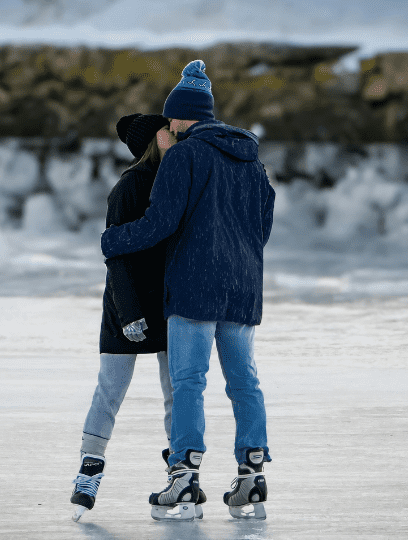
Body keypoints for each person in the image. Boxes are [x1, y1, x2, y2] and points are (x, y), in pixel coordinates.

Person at [100, 59, 276, 521]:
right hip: (242, 290)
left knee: (189, 383)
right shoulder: (252, 160)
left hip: (194, 290)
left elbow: (161, 223)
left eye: (171, 118)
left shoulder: (183, 155)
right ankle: (252, 473)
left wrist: (114, 239)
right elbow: (263, 227)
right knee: (244, 383)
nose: (169, 127)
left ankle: (183, 476)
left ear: (180, 117)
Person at [71, 113, 212, 522]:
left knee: (177, 393)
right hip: (125, 305)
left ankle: (180, 472)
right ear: (154, 138)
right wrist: (129, 313)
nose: (176, 133)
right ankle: (89, 469)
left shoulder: (180, 177)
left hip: (169, 305)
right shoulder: (130, 186)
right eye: (168, 130)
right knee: (110, 390)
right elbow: (117, 256)